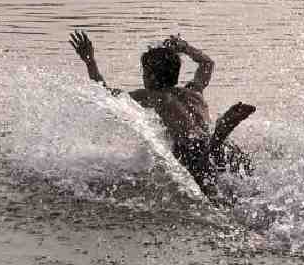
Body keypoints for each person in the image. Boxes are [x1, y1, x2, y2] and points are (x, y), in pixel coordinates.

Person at [67, 30, 255, 201]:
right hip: (225, 147)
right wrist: (185, 47)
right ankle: (220, 134)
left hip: (191, 151)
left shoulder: (153, 96)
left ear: (150, 76)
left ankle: (219, 135)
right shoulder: (194, 92)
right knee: (242, 186)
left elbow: (105, 93)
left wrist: (90, 61)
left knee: (214, 198)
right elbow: (207, 63)